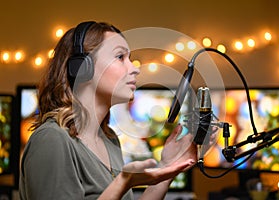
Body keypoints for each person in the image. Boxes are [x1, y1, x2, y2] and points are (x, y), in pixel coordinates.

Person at [19, 21, 197, 200]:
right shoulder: (51, 140)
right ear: (83, 68)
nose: (134, 69)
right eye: (120, 57)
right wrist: (123, 182)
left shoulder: (110, 139)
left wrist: (167, 166)